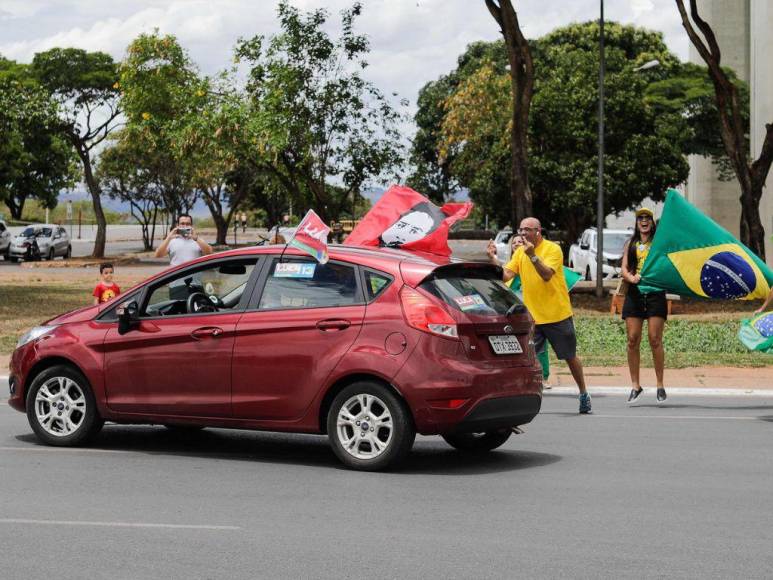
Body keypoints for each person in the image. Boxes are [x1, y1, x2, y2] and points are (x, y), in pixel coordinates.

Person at [487, 217, 591, 414]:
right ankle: (525, 398)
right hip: (533, 317)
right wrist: (493, 260)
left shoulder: (553, 249)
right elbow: (506, 276)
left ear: (538, 231)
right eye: (521, 230)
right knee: (527, 358)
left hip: (557, 314)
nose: (523, 233)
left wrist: (533, 256)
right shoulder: (520, 252)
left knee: (569, 356)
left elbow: (546, 275)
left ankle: (584, 393)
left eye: (527, 230)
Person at [621, 207, 668, 405]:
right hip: (635, 294)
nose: (644, 221)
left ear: (652, 222)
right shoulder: (631, 243)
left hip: (656, 293)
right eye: (640, 218)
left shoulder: (659, 244)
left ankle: (660, 385)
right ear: (636, 223)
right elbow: (623, 268)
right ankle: (635, 386)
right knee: (632, 339)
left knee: (654, 339)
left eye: (647, 218)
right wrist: (631, 278)